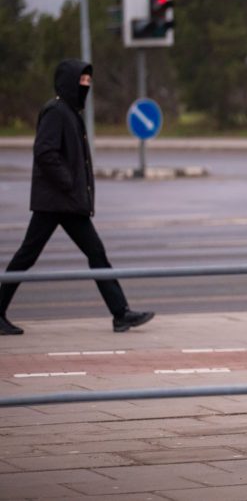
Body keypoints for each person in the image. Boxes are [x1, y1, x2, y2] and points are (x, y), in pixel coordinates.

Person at [0, 60, 155, 336]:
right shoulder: (56, 112)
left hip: (67, 203)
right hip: (55, 202)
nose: (86, 86)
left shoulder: (70, 112)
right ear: (69, 82)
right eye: (81, 81)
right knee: (26, 256)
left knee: (95, 253)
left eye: (88, 82)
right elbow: (45, 152)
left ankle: (120, 314)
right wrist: (68, 182)